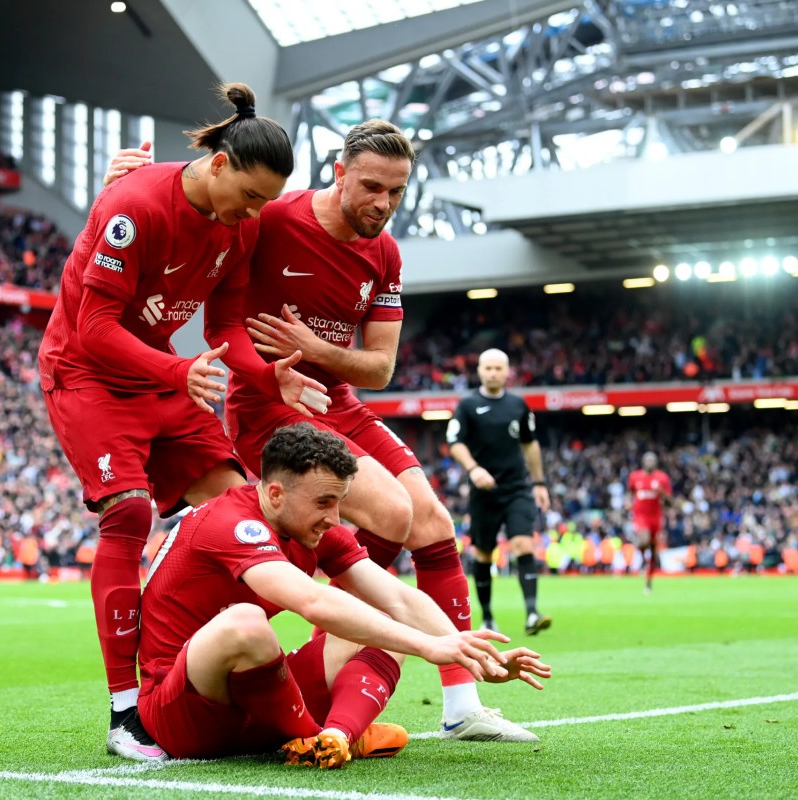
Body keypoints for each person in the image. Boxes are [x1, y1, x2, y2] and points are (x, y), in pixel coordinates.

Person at [107, 120, 537, 743]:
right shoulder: (273, 218)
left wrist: (316, 347)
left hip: (337, 401)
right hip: (269, 404)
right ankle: (341, 641)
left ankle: (461, 704)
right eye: (371, 187)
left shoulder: (384, 252)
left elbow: (382, 367)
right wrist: (129, 183)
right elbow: (211, 198)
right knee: (392, 514)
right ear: (337, 172)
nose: (383, 203)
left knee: (436, 524)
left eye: (396, 191)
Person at [38, 82, 330, 761]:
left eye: (265, 201)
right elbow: (94, 327)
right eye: (251, 195)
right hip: (86, 372)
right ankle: (124, 713)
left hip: (162, 369)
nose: (254, 213)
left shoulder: (241, 224)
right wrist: (178, 372)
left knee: (243, 509)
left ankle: (215, 660)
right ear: (220, 164)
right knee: (130, 515)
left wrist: (267, 374)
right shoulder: (134, 206)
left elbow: (224, 323)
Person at [138, 423, 551, 767]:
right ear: (276, 493)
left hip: (262, 705)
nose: (334, 518)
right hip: (185, 715)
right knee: (246, 622)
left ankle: (334, 737)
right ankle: (314, 733)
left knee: (383, 620)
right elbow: (312, 601)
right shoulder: (228, 522)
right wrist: (428, 646)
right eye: (323, 502)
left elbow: (399, 600)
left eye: (339, 502)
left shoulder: (310, 526)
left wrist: (472, 658)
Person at [446, 349, 552, 636]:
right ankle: (488, 617)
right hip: (484, 492)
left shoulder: (518, 405)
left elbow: (530, 444)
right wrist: (473, 469)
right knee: (483, 553)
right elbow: (454, 441)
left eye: (498, 368)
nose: (493, 373)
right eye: (488, 368)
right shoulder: (468, 405)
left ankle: (532, 613)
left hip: (517, 488)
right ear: (479, 371)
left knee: (523, 545)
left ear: (507, 372)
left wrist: (540, 483)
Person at [626, 451, 673, 593]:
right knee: (644, 540)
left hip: (656, 517)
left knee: (653, 550)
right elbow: (630, 492)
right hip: (641, 516)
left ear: (656, 463)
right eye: (648, 460)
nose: (650, 463)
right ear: (643, 462)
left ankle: (648, 581)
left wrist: (662, 494)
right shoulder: (635, 477)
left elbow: (670, 502)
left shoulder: (662, 478)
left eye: (653, 460)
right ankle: (641, 557)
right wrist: (628, 503)